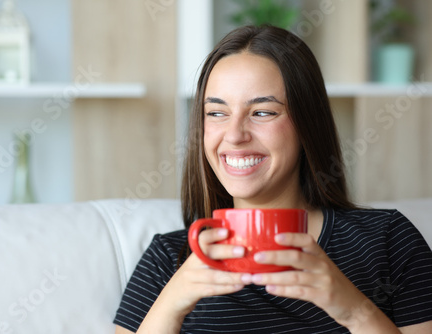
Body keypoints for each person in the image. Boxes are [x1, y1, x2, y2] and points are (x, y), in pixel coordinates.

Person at [113, 25, 432, 333]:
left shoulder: (388, 241)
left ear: (307, 123)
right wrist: (171, 303)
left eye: (262, 112)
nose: (235, 135)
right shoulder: (168, 259)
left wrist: (353, 311)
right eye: (217, 113)